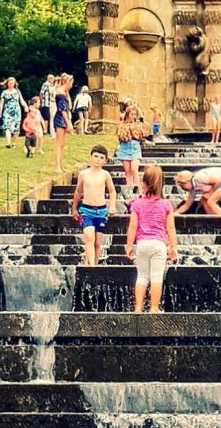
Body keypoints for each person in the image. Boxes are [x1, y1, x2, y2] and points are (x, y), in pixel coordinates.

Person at [125, 161, 177, 313]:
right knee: (156, 277)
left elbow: (133, 226)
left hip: (142, 244)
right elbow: (171, 227)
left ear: (144, 183)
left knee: (141, 276)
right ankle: (154, 308)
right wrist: (173, 247)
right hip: (159, 244)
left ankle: (138, 308)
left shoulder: (137, 204)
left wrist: (129, 245)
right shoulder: (166, 204)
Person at [70, 144, 116, 266]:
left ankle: (94, 263)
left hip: (101, 211)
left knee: (97, 242)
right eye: (95, 156)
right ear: (90, 157)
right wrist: (74, 208)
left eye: (101, 157)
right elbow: (78, 191)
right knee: (89, 237)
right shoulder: (84, 174)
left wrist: (112, 205)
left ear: (105, 160)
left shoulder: (105, 174)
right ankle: (91, 265)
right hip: (86, 210)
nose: (98, 159)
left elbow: (112, 191)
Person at [115, 109, 143, 197]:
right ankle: (129, 189)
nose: (133, 116)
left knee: (134, 169)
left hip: (135, 147)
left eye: (135, 114)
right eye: (132, 114)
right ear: (127, 114)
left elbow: (141, 137)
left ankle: (137, 189)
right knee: (128, 171)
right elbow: (120, 137)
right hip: (125, 147)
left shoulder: (138, 125)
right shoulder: (121, 125)